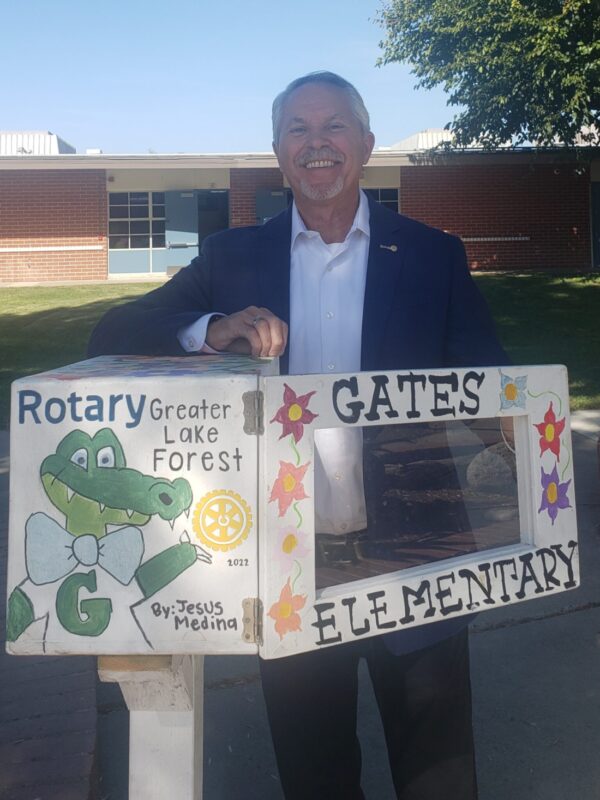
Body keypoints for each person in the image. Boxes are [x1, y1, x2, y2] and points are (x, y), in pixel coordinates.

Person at [89, 71, 507, 800]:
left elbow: (491, 385)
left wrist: (511, 436)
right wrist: (211, 331)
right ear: (280, 154)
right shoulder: (232, 256)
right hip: (284, 552)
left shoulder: (434, 254)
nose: (318, 144)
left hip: (420, 546)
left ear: (367, 145)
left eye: (335, 127)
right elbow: (116, 331)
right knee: (313, 766)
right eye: (299, 131)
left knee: (438, 761)